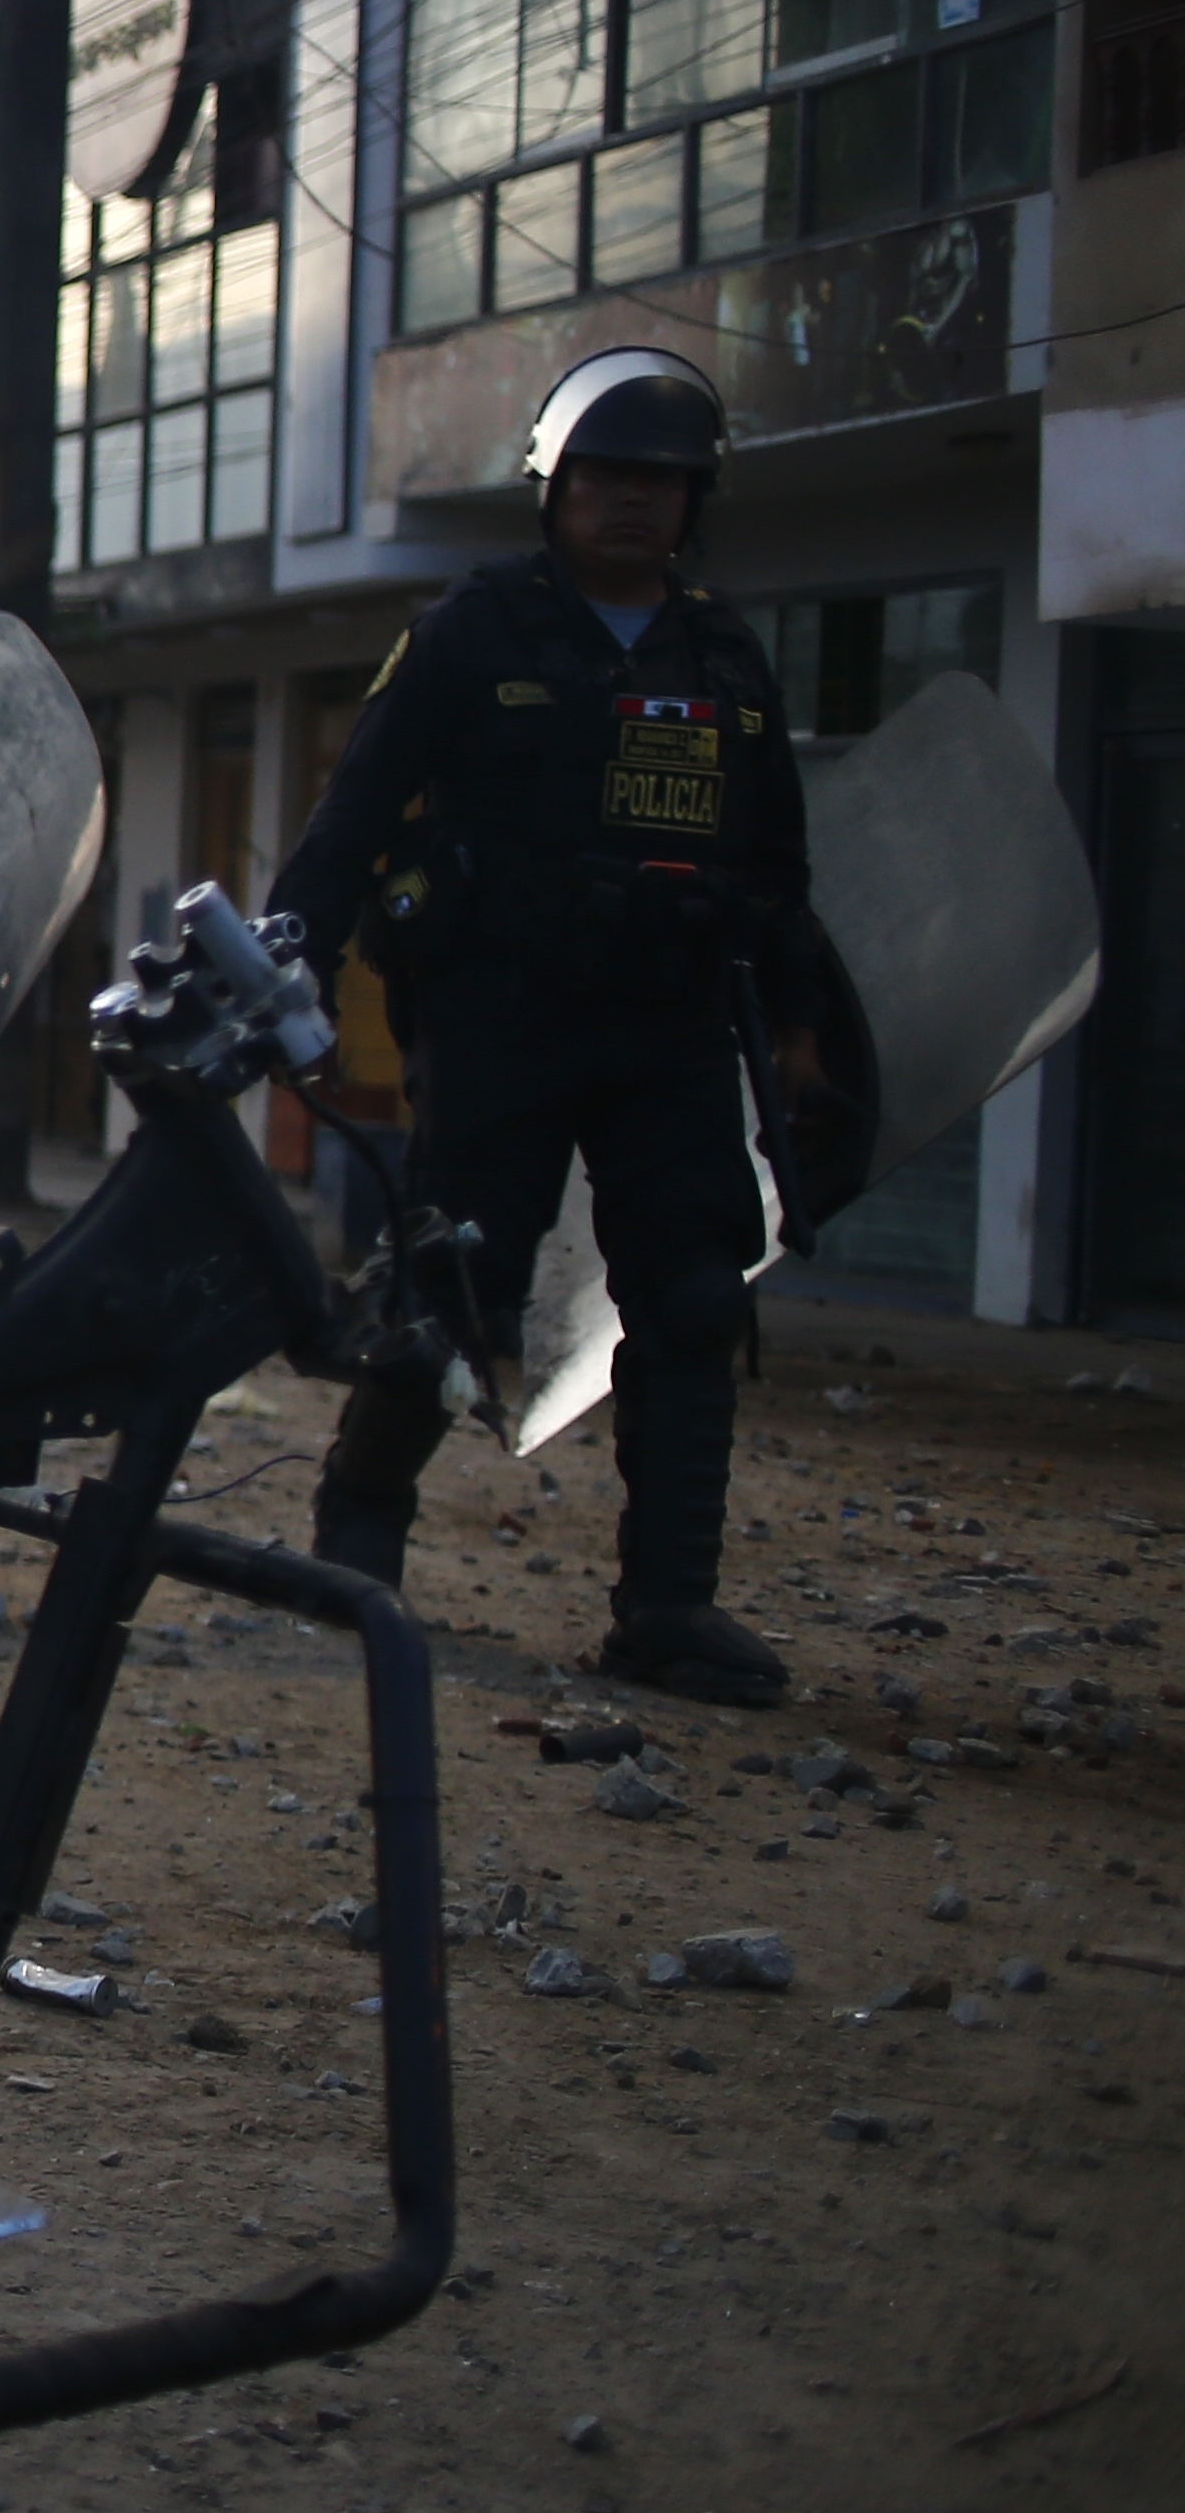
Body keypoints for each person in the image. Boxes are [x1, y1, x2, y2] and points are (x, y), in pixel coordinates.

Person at [269, 348, 822, 1707]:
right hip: (502, 1012)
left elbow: (783, 871)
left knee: (692, 1297)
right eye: (608, 477)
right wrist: (287, 980)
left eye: (664, 481)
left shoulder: (727, 656)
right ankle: (361, 1529)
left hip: (673, 1029)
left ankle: (669, 1606)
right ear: (554, 489)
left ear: (695, 502)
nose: (635, 503)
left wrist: (807, 1035)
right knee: (456, 1293)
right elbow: (351, 823)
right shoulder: (472, 631)